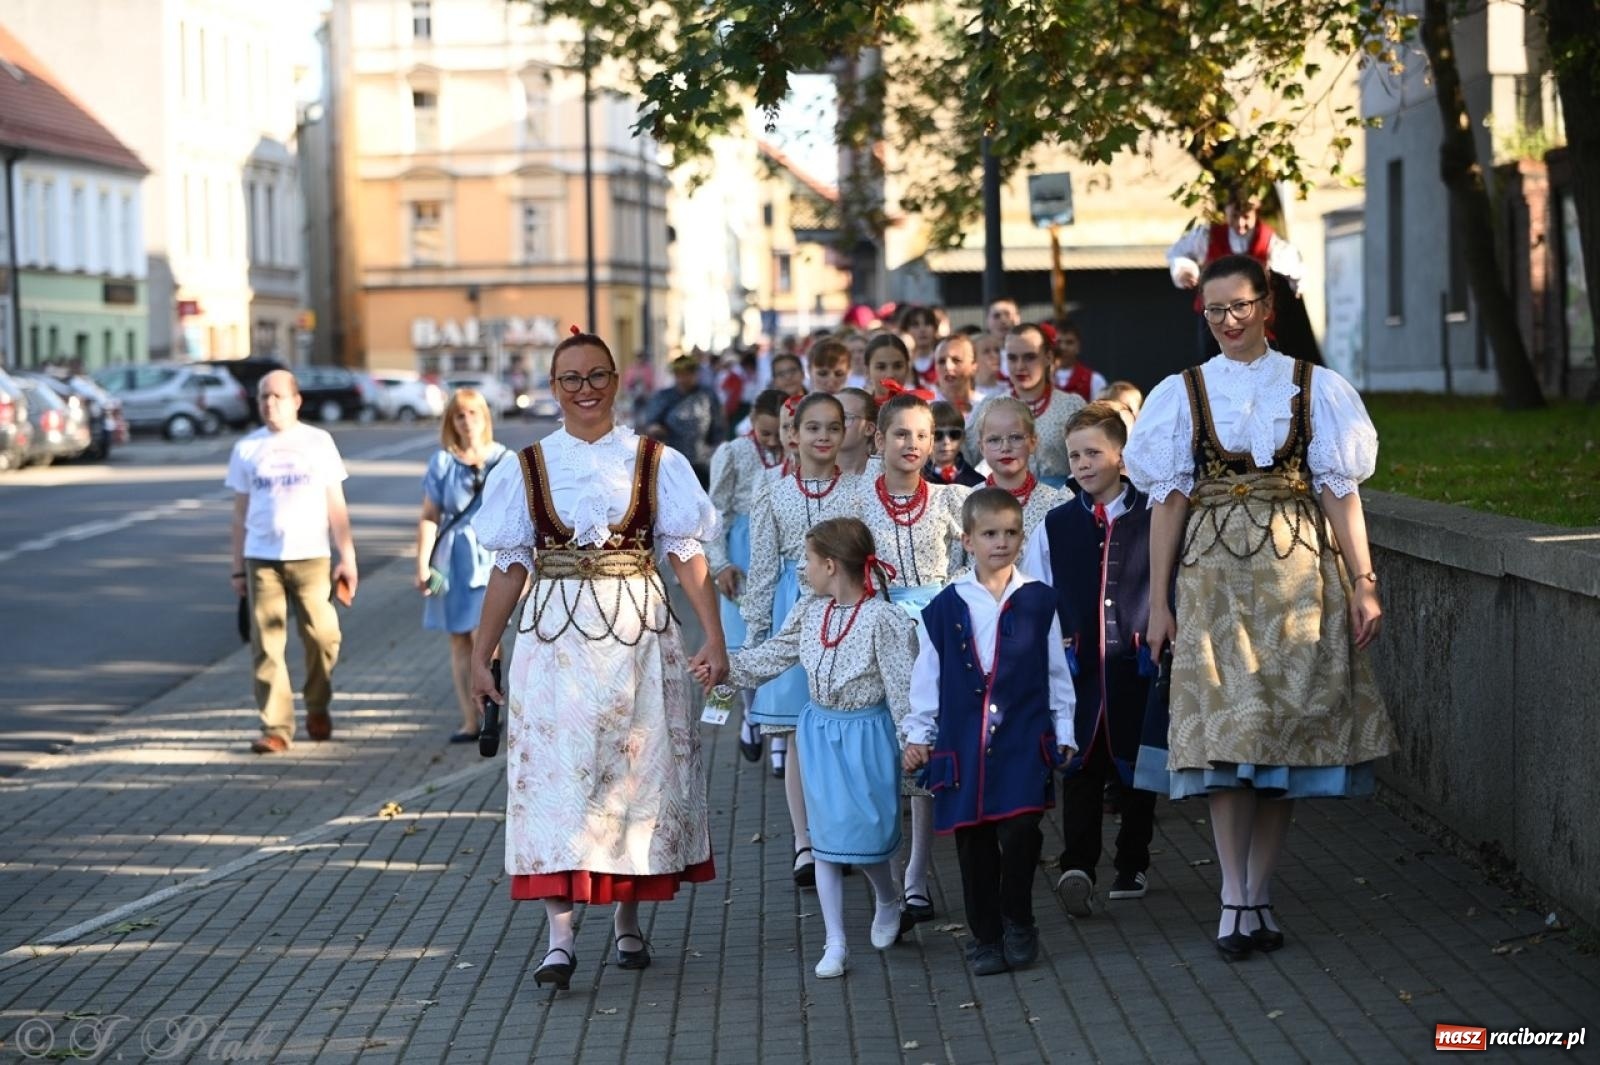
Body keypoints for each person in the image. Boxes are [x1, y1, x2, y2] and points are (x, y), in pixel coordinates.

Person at [1124, 254, 1396, 961]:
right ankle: (1233, 894)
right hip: (1211, 583)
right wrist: (1158, 602)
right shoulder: (1182, 392)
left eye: (1240, 306)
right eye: (1215, 309)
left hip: (1297, 578)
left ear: (1266, 305)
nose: (1228, 320)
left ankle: (1259, 890)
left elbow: (1339, 490)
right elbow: (1167, 503)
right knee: (1227, 736)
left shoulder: (1316, 386)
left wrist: (1363, 580)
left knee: (1282, 738)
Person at [470, 330, 728, 991]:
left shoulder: (656, 460)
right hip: (554, 642)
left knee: (635, 776)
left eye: (596, 376)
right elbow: (509, 566)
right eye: (571, 379)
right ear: (553, 388)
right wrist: (481, 651)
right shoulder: (527, 465)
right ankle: (559, 937)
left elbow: (687, 554)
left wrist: (714, 636)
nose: (585, 389)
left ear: (616, 381)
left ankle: (627, 917)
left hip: (637, 635)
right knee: (555, 778)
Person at [723, 517, 918, 979]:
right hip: (820, 734)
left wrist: (911, 742)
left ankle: (888, 897)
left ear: (830, 565)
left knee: (868, 838)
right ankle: (836, 941)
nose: (801, 569)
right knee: (824, 839)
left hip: (866, 738)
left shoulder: (884, 620)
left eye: (807, 561)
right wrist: (724, 668)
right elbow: (774, 654)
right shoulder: (811, 612)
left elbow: (903, 689)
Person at [903, 488, 1076, 976]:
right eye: (990, 533)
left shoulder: (1039, 599)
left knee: (1022, 830)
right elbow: (928, 675)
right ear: (968, 540)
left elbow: (1056, 670)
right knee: (973, 841)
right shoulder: (945, 605)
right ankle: (985, 935)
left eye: (1010, 533)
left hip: (1023, 737)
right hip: (963, 743)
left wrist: (1064, 727)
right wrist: (919, 733)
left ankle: (1018, 919)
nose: (1001, 542)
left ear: (1022, 537)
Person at [1020, 402, 1160, 917]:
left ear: (1121, 456)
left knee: (1137, 770)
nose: (1081, 464)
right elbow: (1035, 591)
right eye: (1074, 455)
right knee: (1079, 767)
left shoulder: (1154, 515)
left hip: (1135, 666)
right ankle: (1077, 865)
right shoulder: (1055, 524)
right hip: (1078, 671)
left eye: (1093, 453)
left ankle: (1133, 860)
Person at [848, 391, 969, 925]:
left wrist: (943, 597)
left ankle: (917, 874)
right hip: (877, 635)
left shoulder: (949, 499)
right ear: (879, 439)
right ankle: (887, 878)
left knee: (922, 748)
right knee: (882, 753)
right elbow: (836, 568)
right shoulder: (856, 501)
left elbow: (973, 556)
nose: (913, 444)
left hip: (932, 636)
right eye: (901, 433)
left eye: (923, 434)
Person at [744, 392, 860, 886]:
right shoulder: (772, 491)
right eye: (813, 428)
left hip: (846, 608)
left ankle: (843, 832)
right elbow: (762, 568)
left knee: (844, 727)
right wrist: (755, 634)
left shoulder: (859, 488)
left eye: (833, 427)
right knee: (796, 731)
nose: (823, 437)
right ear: (793, 434)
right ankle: (804, 841)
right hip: (792, 609)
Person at [227, 369, 357, 755]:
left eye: (277, 396)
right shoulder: (247, 448)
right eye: (263, 397)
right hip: (261, 558)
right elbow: (239, 513)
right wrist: (237, 566)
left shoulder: (318, 442)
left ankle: (317, 703)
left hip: (312, 556)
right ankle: (277, 727)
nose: (269, 404)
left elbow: (336, 504)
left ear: (296, 401)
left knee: (323, 636)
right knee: (266, 646)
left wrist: (347, 556)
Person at [414, 388, 509, 743]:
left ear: (485, 417)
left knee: (485, 637)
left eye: (473, 413)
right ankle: (470, 720)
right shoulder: (442, 463)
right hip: (452, 559)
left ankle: (492, 713)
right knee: (458, 639)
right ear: (450, 422)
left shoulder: (505, 460)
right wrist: (422, 564)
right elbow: (430, 516)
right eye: (459, 415)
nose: (467, 421)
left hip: (491, 558)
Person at [706, 388, 787, 765]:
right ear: (752, 421)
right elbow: (715, 511)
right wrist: (719, 563)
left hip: (781, 548)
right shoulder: (734, 452)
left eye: (779, 433)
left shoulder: (794, 452)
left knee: (779, 639)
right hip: (742, 551)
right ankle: (751, 715)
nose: (772, 441)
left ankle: (779, 732)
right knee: (742, 642)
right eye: (765, 432)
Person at [1167, 193, 1308, 360]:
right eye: (1234, 216)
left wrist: (1297, 283)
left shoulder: (1268, 240)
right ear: (1226, 211)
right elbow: (1178, 252)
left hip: (1253, 318)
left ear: (1256, 210)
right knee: (1212, 362)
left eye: (1246, 217)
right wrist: (1184, 270)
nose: (1241, 223)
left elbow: (1294, 265)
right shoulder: (1208, 235)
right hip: (1215, 318)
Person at [966, 324, 1085, 489]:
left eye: (1029, 357)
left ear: (1048, 357)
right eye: (1012, 358)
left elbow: (1088, 459)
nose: (1020, 366)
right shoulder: (989, 407)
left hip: (1061, 500)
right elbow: (963, 459)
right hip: (1004, 500)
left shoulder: (1071, 406)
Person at [974, 396, 1072, 555]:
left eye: (1016, 437)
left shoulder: (1056, 504)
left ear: (1033, 442)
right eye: (994, 440)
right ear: (981, 447)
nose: (1005, 447)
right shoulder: (967, 502)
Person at [643, 354, 727, 486]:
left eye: (687, 374)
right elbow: (651, 423)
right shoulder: (664, 397)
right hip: (673, 460)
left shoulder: (707, 395)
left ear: (695, 374)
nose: (683, 379)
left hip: (702, 461)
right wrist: (656, 430)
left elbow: (718, 426)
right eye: (679, 375)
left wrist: (718, 450)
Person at [925, 400, 983, 487]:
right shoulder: (912, 480)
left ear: (962, 437)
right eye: (937, 435)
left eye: (954, 434)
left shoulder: (977, 483)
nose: (946, 442)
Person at [1050, 320, 1107, 402]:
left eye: (1069, 342)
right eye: (1058, 342)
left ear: (1078, 347)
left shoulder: (1095, 380)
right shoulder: (1041, 380)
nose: (1063, 347)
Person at [932, 334, 984, 417]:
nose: (948, 367)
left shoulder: (986, 407)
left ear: (974, 366)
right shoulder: (925, 408)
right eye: (941, 361)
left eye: (956, 360)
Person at [836, 387, 878, 477]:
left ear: (869, 429)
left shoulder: (885, 476)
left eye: (845, 417)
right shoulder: (811, 473)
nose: (834, 424)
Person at [865, 334, 914, 401]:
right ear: (867, 370)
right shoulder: (857, 407)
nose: (890, 375)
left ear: (907, 368)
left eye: (898, 366)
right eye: (881, 367)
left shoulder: (920, 406)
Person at [902, 305, 941, 387]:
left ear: (935, 328)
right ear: (906, 330)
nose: (922, 329)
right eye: (915, 325)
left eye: (927, 324)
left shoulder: (944, 360)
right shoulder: (902, 364)